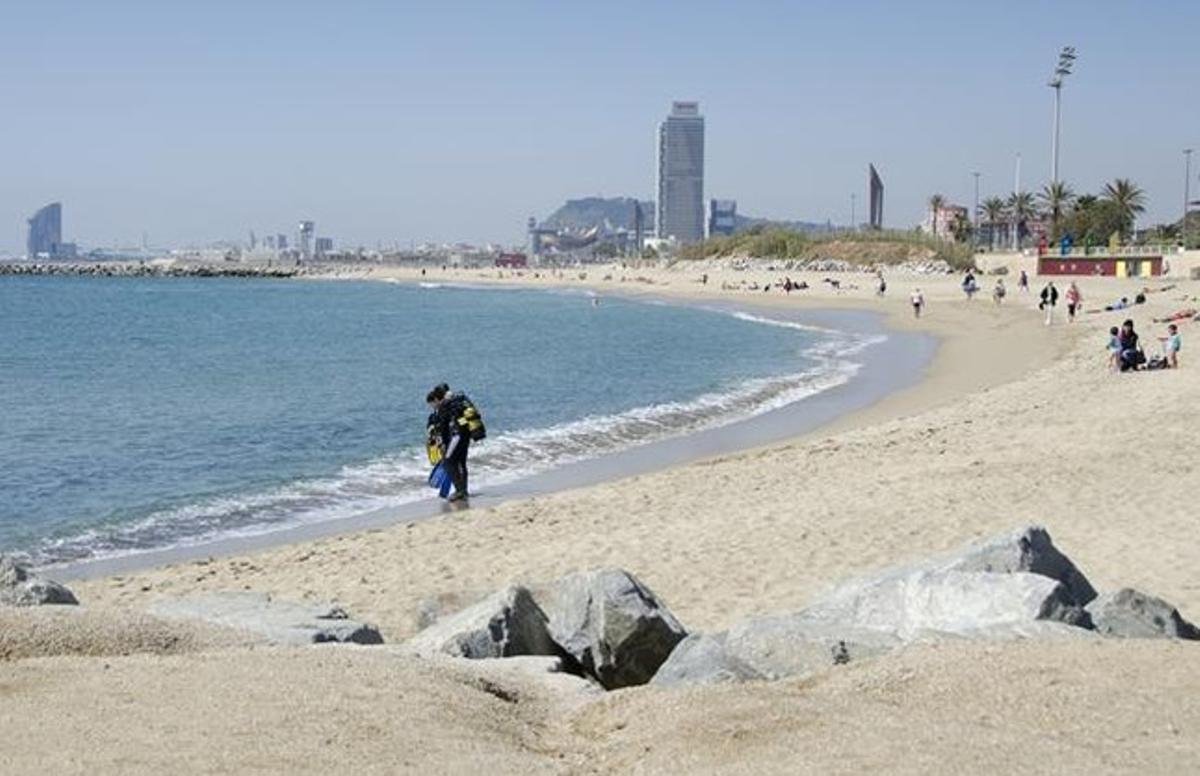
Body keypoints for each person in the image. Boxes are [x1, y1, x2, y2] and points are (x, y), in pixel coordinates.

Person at [426, 383, 485, 503]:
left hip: (456, 437)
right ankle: (464, 490)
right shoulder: (458, 401)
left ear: (437, 398)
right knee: (461, 463)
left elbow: (443, 427)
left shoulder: (445, 405)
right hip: (465, 435)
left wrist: (442, 443)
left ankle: (460, 491)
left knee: (448, 462)